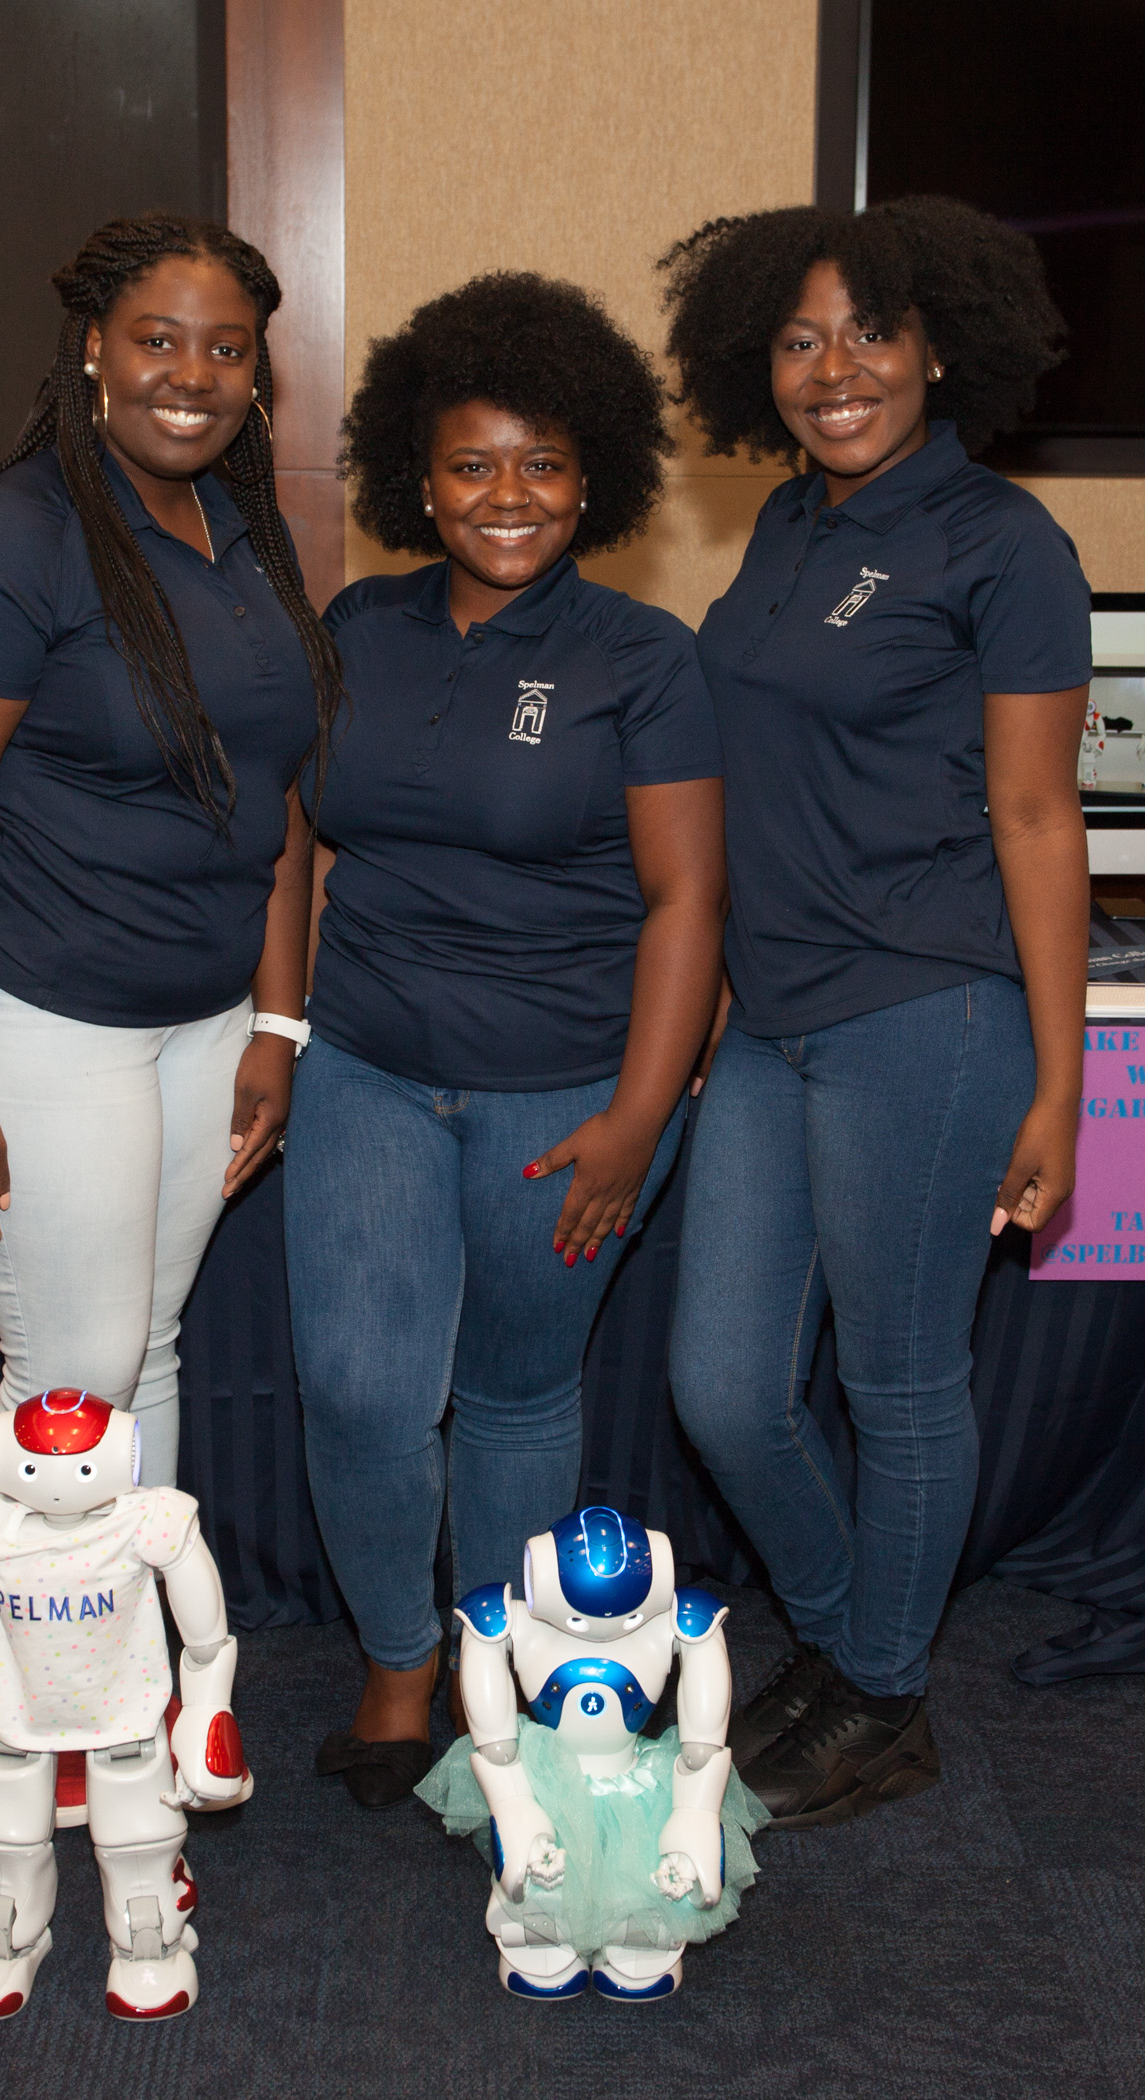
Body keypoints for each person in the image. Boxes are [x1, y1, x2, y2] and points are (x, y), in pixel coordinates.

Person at [0, 212, 342, 1770]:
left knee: (140, 1361)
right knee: (69, 1380)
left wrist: (276, 1018)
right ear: (91, 347)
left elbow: (276, 798)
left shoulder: (240, 529)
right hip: (46, 1022)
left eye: (226, 348)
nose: (189, 376)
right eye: (157, 339)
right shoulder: (6, 540)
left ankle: (107, 1672)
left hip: (204, 1025)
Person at [659, 198, 1092, 1826]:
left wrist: (1060, 1082)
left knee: (900, 1388)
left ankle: (882, 1696)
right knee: (722, 1388)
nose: (832, 369)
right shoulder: (787, 525)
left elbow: (1036, 816)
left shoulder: (1002, 544)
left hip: (925, 1012)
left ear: (937, 349)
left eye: (867, 333)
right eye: (796, 339)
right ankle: (855, 1643)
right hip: (772, 1019)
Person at [285, 273, 727, 1807]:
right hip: (367, 1066)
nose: (507, 495)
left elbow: (686, 901)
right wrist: (281, 1023)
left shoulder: (641, 657)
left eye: (541, 463)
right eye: (470, 464)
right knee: (359, 1388)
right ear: (418, 481)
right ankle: (399, 1661)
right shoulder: (358, 626)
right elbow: (302, 838)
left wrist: (638, 1116)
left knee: (521, 1391)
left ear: (590, 477)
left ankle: (511, 1669)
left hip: (570, 1091)